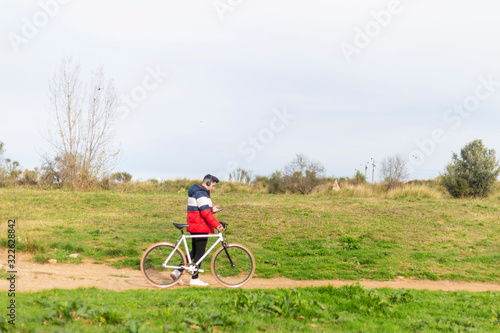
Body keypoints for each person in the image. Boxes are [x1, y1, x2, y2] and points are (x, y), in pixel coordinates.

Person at [171, 174, 224, 286]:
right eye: (213, 185)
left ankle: (177, 272)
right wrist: (217, 225)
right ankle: (194, 279)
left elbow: (202, 209)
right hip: (200, 226)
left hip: (195, 225)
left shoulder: (197, 192)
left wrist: (211, 209)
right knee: (200, 252)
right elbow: (205, 213)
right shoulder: (201, 193)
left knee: (194, 252)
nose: (213, 188)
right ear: (208, 183)